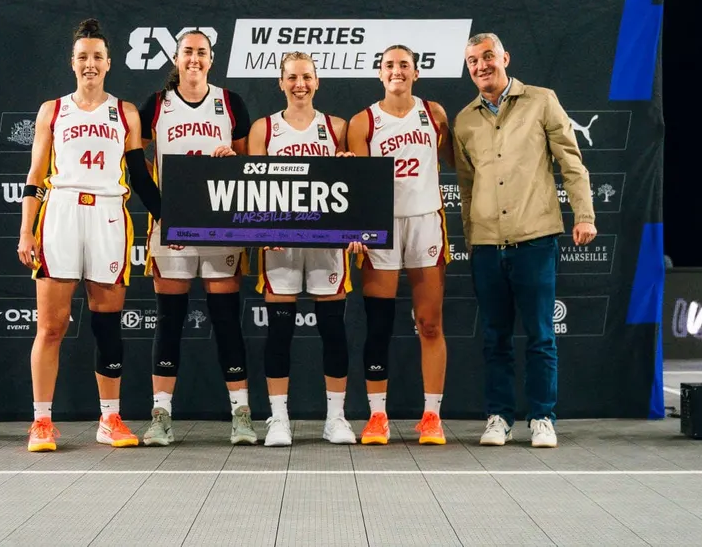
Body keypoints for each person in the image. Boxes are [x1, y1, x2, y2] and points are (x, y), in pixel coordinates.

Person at [16, 18, 163, 453]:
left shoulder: (125, 112)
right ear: (72, 62)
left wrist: (169, 219)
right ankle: (41, 422)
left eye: (98, 56)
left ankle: (109, 419)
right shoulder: (53, 110)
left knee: (107, 324)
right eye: (83, 57)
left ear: (109, 63)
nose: (90, 64)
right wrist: (26, 230)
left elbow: (139, 176)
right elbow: (35, 175)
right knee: (51, 326)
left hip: (108, 215)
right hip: (60, 213)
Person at [453, 32, 598, 449]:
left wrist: (584, 215)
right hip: (486, 245)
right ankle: (499, 417)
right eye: (472, 61)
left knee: (540, 337)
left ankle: (542, 417)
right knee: (494, 338)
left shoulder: (542, 101)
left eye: (487, 57)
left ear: (505, 58)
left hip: (535, 239)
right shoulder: (464, 120)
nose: (481, 66)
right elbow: (466, 187)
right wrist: (471, 237)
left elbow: (572, 164)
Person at [136, 29, 257, 446]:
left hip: (221, 225)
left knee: (226, 319)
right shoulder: (157, 104)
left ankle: (241, 414)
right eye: (187, 51)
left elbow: (249, 162)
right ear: (176, 57)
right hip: (173, 227)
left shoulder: (229, 102)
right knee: (169, 319)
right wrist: (161, 210)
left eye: (201, 52)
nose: (194, 59)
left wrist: (233, 159)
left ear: (211, 59)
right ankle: (161, 416)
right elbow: (133, 159)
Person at [346, 45, 455, 446]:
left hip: (426, 222)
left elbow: (453, 160)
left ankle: (432, 416)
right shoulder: (363, 121)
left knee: (430, 323)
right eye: (389, 65)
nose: (397, 71)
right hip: (382, 226)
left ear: (415, 73)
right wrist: (356, 230)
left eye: (404, 65)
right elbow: (358, 184)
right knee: (379, 324)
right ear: (379, 73)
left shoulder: (434, 113)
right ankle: (378, 416)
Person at [247, 52, 356, 447]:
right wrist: (263, 230)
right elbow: (253, 186)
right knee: (279, 331)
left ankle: (336, 418)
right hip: (281, 243)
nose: (300, 84)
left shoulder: (337, 127)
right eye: (292, 77)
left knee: (333, 330)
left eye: (307, 77)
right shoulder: (264, 128)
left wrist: (348, 166)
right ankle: (279, 419)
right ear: (281, 82)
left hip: (327, 245)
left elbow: (353, 185)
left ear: (317, 81)